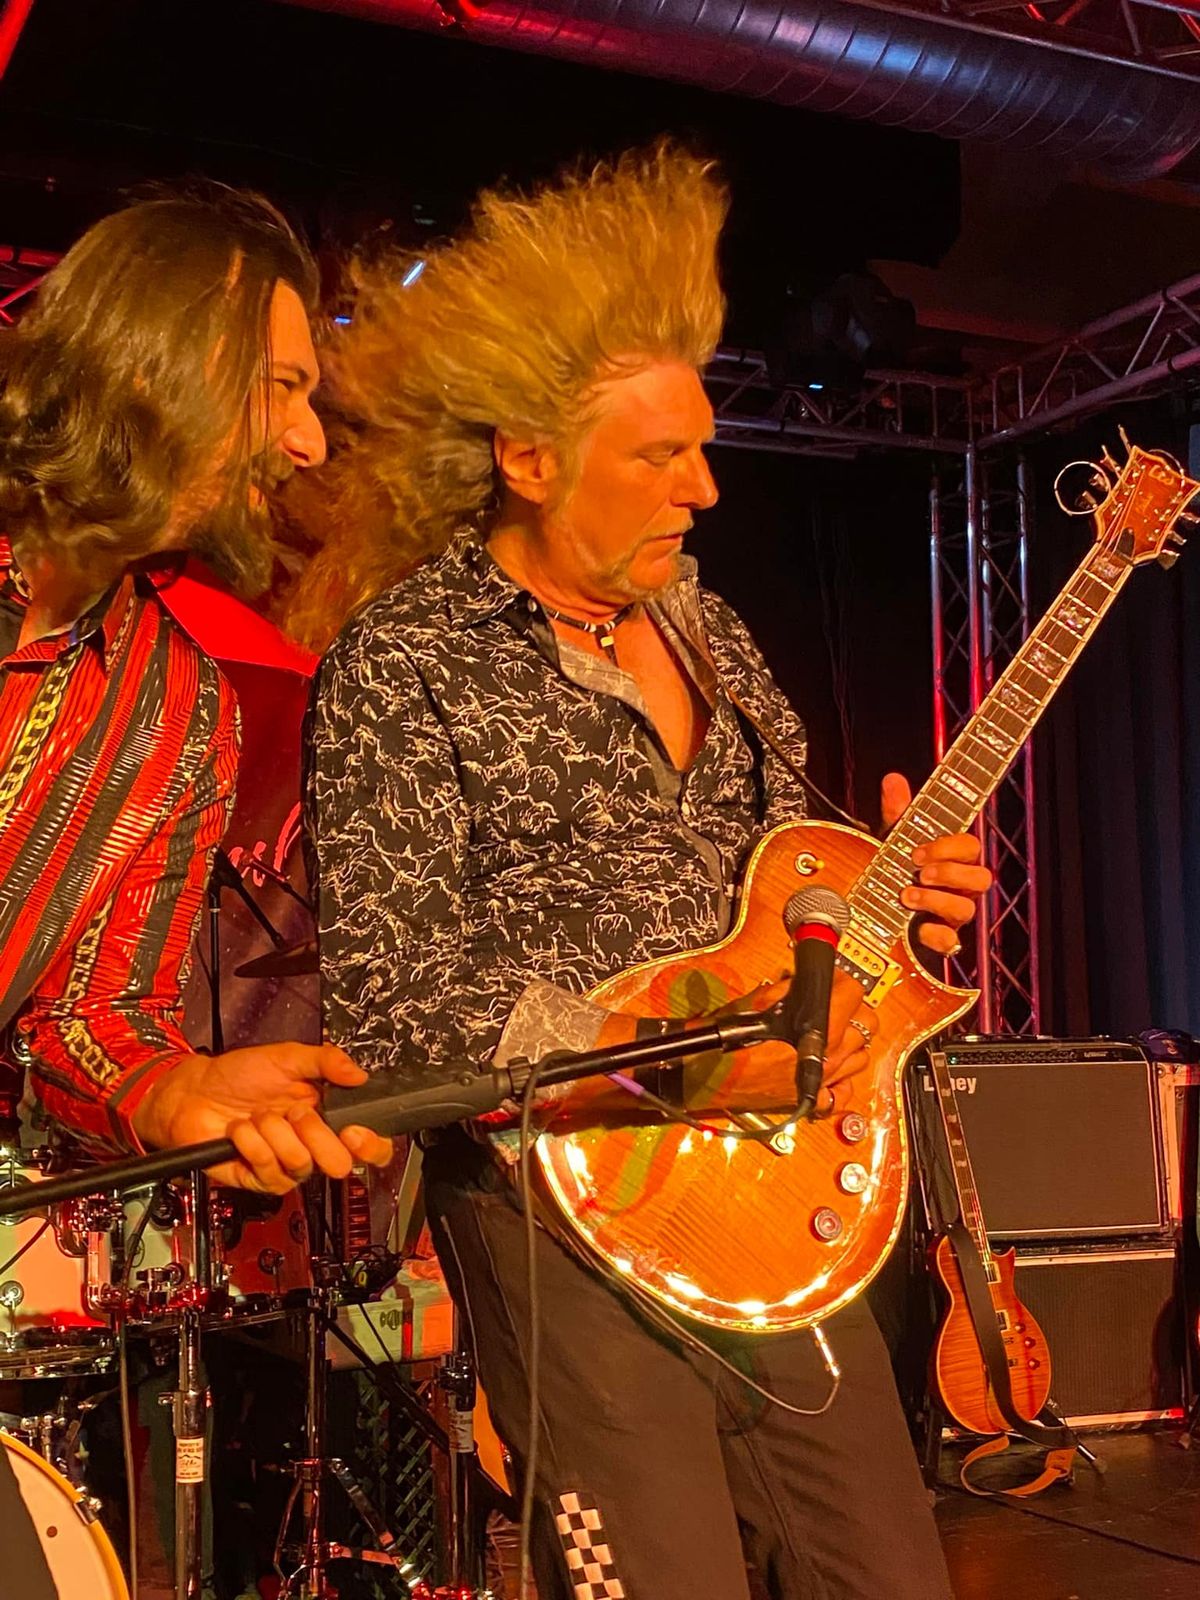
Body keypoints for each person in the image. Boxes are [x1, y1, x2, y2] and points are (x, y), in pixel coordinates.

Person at [306, 145, 990, 1599]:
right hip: (566, 1215)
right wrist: (671, 1053)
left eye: (703, 446)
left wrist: (879, 898)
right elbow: (393, 1000)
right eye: (660, 455)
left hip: (772, 1201)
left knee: (888, 1573)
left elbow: (784, 893)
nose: (707, 487)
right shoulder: (401, 662)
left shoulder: (708, 631)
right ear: (529, 457)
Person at [0, 187, 391, 1196]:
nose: (309, 443)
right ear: (154, 358)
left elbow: (93, 1012)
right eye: (281, 387)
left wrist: (168, 1091)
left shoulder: (180, 705)